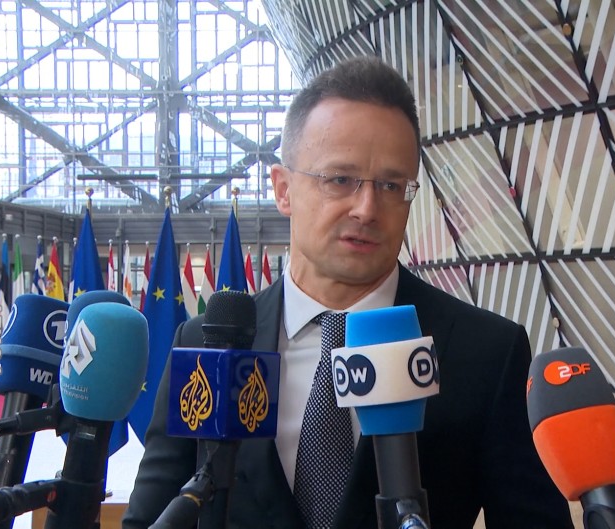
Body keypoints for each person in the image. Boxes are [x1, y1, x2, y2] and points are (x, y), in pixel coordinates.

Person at [123, 55, 572, 529]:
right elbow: (150, 517)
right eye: (340, 180)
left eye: (392, 185)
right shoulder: (207, 345)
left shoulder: (485, 352)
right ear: (283, 189)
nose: (367, 208)